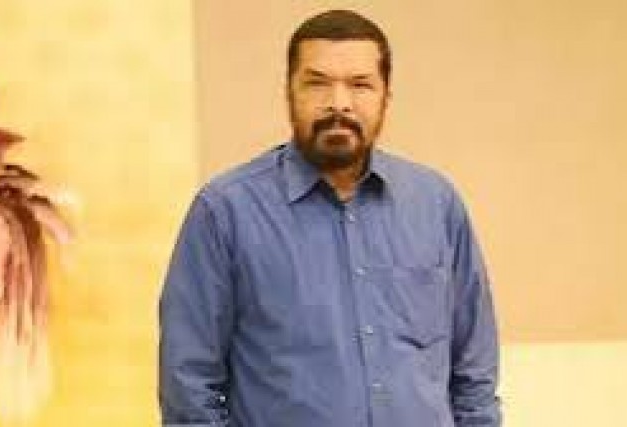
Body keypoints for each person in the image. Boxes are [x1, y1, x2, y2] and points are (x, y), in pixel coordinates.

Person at [159, 9, 501, 427]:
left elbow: (474, 372)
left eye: (360, 84)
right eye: (317, 83)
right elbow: (189, 384)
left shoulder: (436, 204)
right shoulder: (225, 212)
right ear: (289, 92)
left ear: (386, 96)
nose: (338, 103)